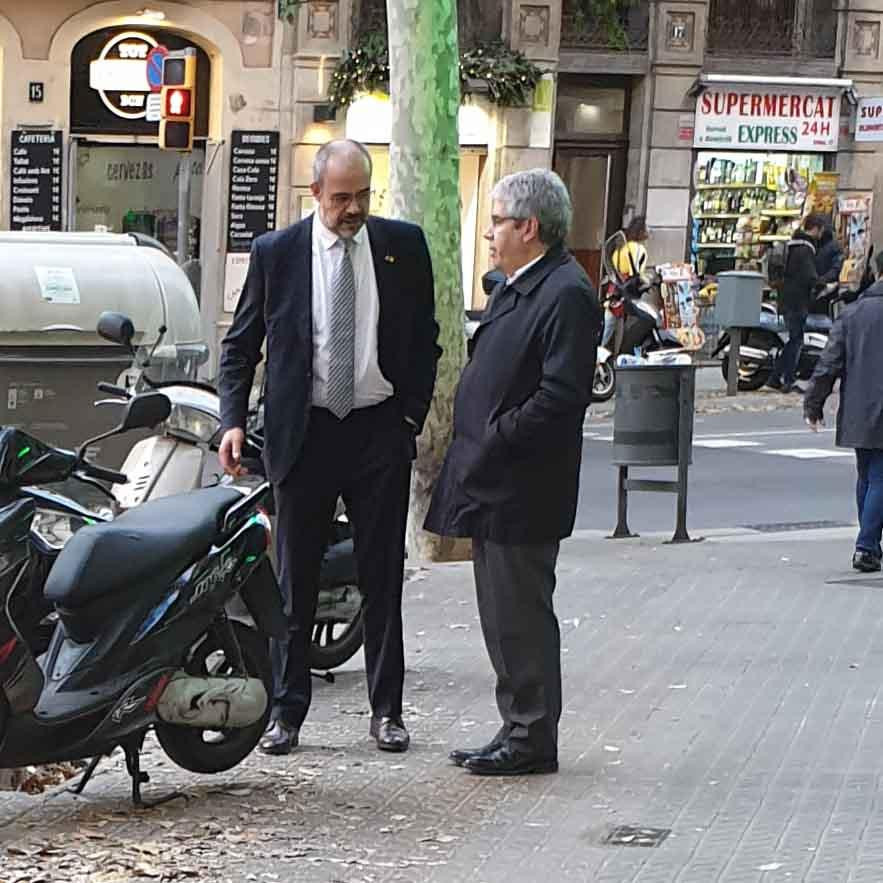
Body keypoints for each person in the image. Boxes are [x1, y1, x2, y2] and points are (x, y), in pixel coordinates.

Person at [218, 139, 441, 755]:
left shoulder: (403, 247)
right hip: (305, 434)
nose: (353, 209)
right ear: (314, 194)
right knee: (295, 579)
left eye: (363, 195)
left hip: (377, 430)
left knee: (381, 579)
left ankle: (387, 713)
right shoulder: (278, 254)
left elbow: (426, 341)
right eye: (341, 198)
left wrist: (410, 418)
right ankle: (288, 713)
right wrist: (231, 421)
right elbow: (240, 348)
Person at [424, 169, 600, 776]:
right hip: (494, 480)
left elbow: (559, 396)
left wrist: (496, 436)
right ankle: (517, 724)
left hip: (522, 484)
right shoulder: (522, 285)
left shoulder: (565, 293)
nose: (489, 234)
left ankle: (531, 736)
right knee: (502, 618)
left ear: (529, 227)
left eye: (497, 221)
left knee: (520, 613)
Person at [804, 250, 883, 573]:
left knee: (867, 474)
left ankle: (870, 545)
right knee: (879, 477)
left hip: (859, 408)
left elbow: (828, 364)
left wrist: (814, 404)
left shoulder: (852, 314)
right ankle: (866, 546)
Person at [770, 213, 826, 393]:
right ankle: (787, 378)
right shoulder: (805, 249)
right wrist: (821, 284)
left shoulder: (793, 244)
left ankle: (775, 376)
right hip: (797, 301)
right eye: (821, 230)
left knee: (793, 339)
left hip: (786, 298)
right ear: (816, 228)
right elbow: (809, 275)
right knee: (796, 340)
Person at [603, 215, 648, 348]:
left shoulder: (620, 249)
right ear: (641, 231)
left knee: (607, 330)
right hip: (629, 294)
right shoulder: (639, 250)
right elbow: (638, 275)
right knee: (624, 333)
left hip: (614, 291)